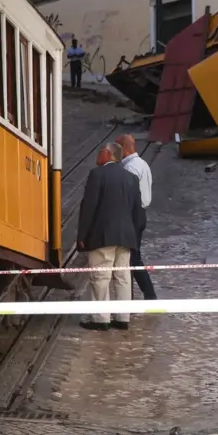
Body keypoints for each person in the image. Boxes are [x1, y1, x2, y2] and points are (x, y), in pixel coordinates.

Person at [77, 142, 145, 331]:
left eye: (99, 152)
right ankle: (123, 317)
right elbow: (137, 211)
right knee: (123, 276)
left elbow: (89, 207)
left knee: (101, 276)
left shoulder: (97, 175)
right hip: (126, 236)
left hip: (102, 235)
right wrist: (134, 235)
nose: (97, 157)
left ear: (108, 154)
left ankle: (101, 318)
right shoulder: (131, 178)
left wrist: (82, 235)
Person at [116, 134, 158, 301]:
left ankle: (148, 295)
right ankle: (138, 296)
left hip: (132, 215)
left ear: (123, 148)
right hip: (140, 214)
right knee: (132, 257)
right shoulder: (141, 164)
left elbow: (126, 197)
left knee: (132, 258)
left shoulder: (129, 168)